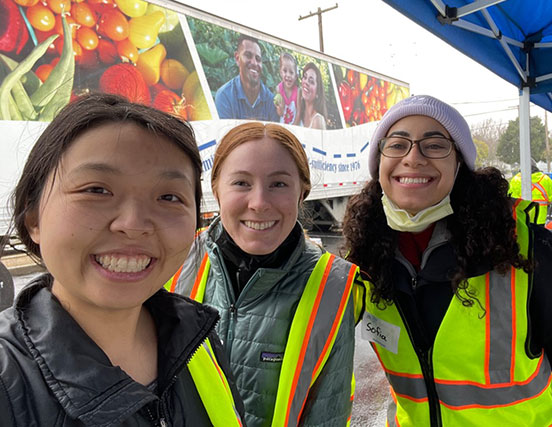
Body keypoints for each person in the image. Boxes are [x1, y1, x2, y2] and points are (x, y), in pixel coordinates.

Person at [342, 95, 552, 426]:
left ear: (459, 164)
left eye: (434, 145)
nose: (413, 158)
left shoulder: (519, 247)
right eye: (397, 145)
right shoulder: (364, 258)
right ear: (379, 163)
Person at [0, 94, 245, 426]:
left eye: (169, 197)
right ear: (33, 218)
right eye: (97, 190)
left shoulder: (199, 342)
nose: (133, 224)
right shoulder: (8, 379)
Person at [167, 122, 358, 426]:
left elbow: (327, 414)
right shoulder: (178, 257)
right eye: (241, 183)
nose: (259, 203)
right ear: (216, 188)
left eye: (278, 184)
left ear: (302, 192)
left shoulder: (333, 285)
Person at [215, 34, 280, 122]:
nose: (254, 63)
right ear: (237, 58)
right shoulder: (225, 96)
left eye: (258, 59)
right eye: (248, 55)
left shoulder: (270, 100)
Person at [508, 159, 552, 224]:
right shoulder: (546, 179)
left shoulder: (516, 180)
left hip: (523, 219)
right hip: (540, 218)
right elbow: (551, 196)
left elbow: (512, 199)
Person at [294, 62, 327, 129]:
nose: (306, 82)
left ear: (317, 93)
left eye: (311, 81)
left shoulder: (318, 120)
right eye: (305, 77)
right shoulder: (300, 110)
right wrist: (298, 113)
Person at [275, 52, 299, 125]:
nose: (288, 75)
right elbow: (280, 113)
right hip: (283, 125)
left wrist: (293, 128)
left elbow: (299, 114)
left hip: (295, 125)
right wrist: (279, 108)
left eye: (291, 72)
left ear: (295, 76)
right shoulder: (278, 89)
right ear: (281, 72)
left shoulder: (298, 92)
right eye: (285, 71)